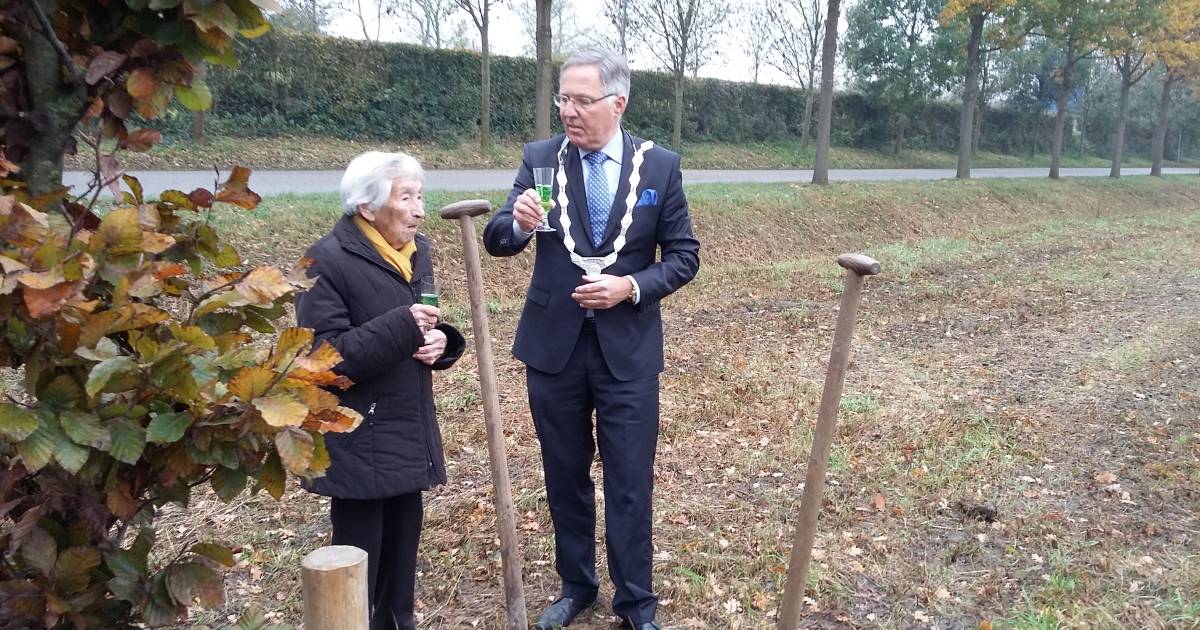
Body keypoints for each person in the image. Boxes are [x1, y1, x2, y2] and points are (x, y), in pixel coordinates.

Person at [483, 49, 700, 630]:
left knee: (630, 481)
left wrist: (631, 285)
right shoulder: (540, 160)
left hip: (626, 353)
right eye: (563, 99)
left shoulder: (659, 168)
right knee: (564, 474)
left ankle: (635, 604)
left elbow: (684, 257)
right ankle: (577, 586)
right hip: (553, 351)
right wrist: (519, 225)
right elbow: (497, 239)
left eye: (581, 100)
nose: (568, 111)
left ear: (617, 103)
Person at [296, 151, 465, 630]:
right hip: (357, 438)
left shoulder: (416, 251)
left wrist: (442, 342)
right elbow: (324, 358)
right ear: (367, 208)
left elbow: (420, 327)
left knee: (401, 571)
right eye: (406, 197)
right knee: (359, 570)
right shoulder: (324, 262)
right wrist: (405, 326)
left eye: (420, 196)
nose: (419, 210)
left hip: (406, 431)